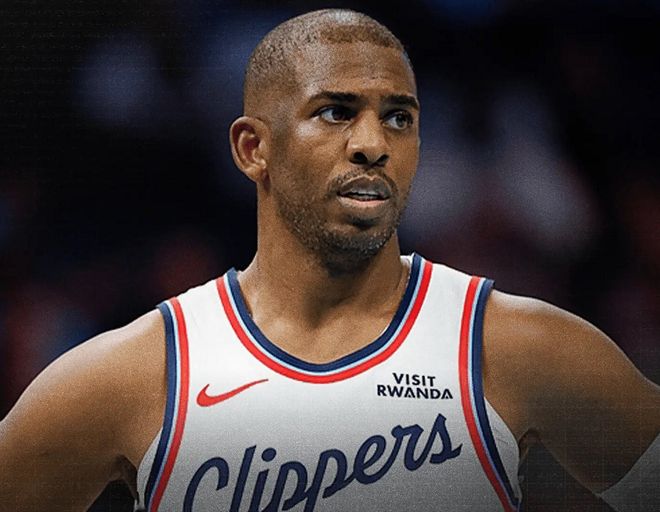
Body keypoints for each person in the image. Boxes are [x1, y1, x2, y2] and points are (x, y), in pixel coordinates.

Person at [1, 8, 658, 512]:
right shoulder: (139, 374)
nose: (372, 143)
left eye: (398, 118)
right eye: (336, 112)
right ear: (253, 148)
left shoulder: (518, 348)